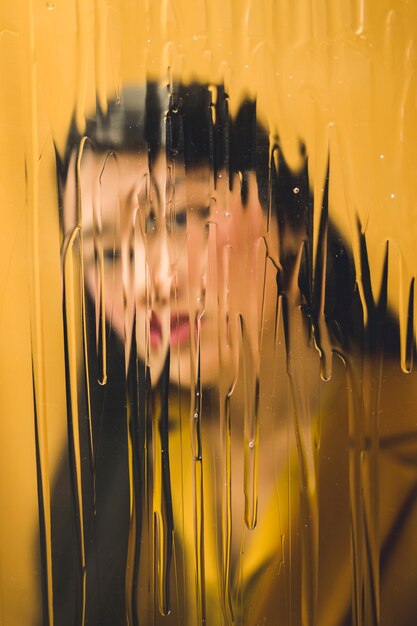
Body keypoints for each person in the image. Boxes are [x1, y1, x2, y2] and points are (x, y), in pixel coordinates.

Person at [51, 81, 417, 626]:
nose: (143, 282)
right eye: (103, 252)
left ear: (291, 224)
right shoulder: (106, 470)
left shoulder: (402, 433)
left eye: (175, 219)